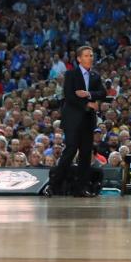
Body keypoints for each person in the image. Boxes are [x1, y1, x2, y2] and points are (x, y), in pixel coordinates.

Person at [48, 45, 106, 197]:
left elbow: (102, 93)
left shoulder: (95, 76)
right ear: (79, 59)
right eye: (87, 55)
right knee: (71, 150)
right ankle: (54, 185)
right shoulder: (71, 74)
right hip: (73, 119)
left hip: (88, 120)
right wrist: (87, 103)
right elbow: (69, 96)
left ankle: (81, 188)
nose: (90, 58)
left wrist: (88, 94)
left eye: (92, 55)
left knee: (86, 154)